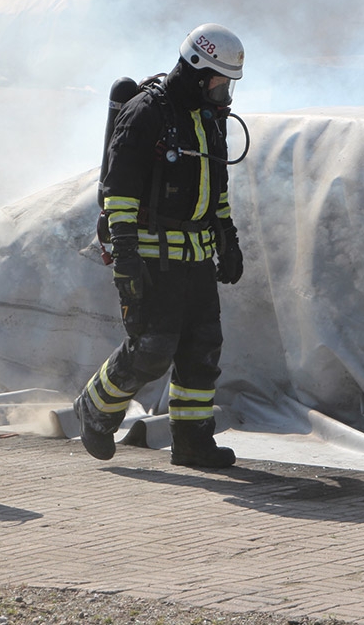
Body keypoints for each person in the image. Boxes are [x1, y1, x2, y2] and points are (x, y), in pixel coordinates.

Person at [73, 23, 246, 468]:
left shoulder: (211, 119)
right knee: (151, 348)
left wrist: (227, 238)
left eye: (227, 85)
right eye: (218, 82)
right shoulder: (146, 112)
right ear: (194, 71)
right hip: (152, 258)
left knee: (202, 349)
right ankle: (94, 408)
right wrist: (126, 260)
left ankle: (191, 442)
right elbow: (120, 192)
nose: (223, 92)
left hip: (197, 258)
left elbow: (217, 184)